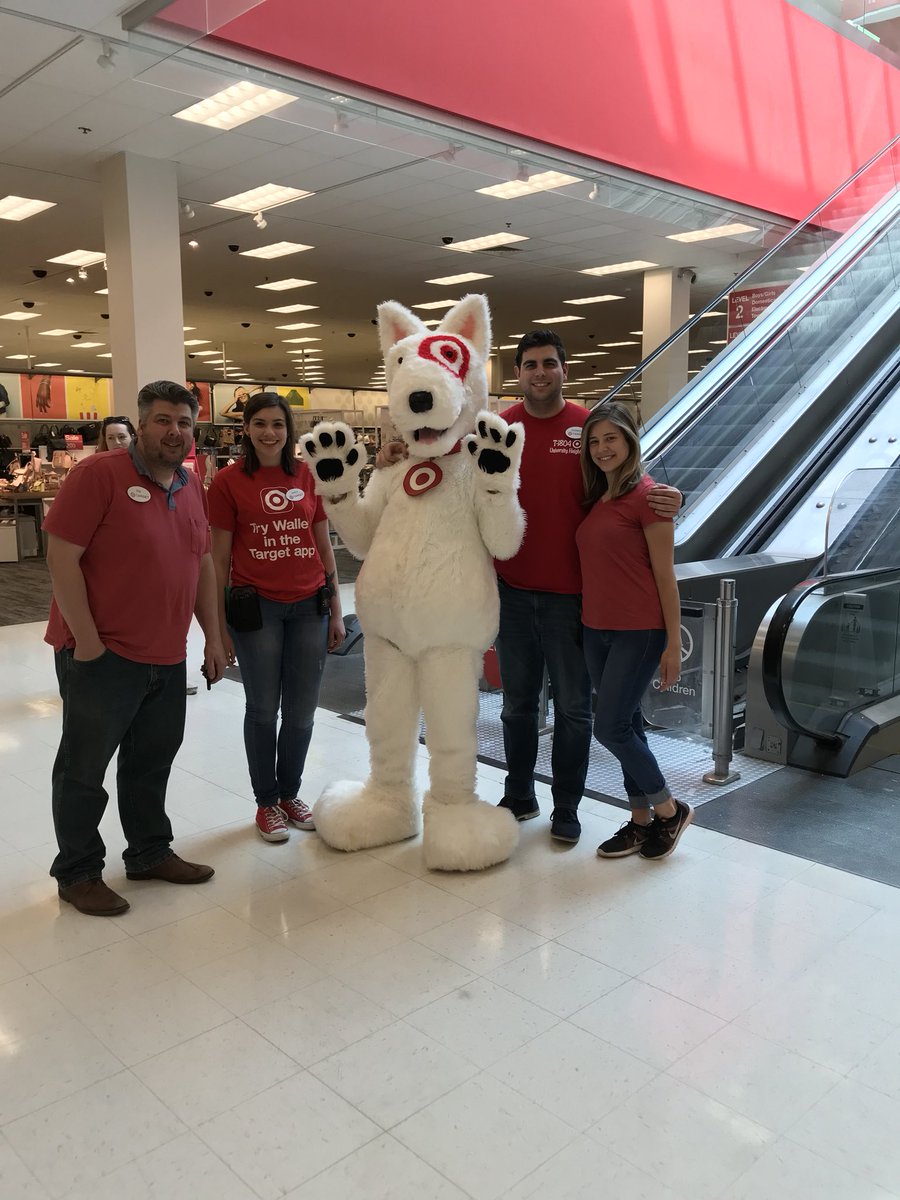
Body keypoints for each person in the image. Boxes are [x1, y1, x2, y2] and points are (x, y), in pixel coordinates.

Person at [376, 329, 681, 844]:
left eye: (549, 364)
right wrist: (394, 455)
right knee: (517, 703)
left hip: (573, 601)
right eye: (530, 365)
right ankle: (519, 794)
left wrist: (670, 497)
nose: (540, 372)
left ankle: (567, 807)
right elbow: (441, 456)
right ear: (517, 372)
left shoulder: (588, 430)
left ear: (565, 370)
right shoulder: (496, 425)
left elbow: (626, 482)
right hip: (512, 593)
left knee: (574, 709)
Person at [43, 380, 227, 917]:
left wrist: (212, 636)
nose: (175, 431)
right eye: (164, 420)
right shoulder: (97, 475)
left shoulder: (191, 485)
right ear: (142, 425)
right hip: (104, 657)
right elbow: (61, 561)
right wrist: (92, 646)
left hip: (166, 657)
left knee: (151, 763)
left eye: (185, 422)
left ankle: (148, 852)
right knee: (83, 769)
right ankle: (77, 872)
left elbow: (203, 563)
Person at [208, 392, 345, 843]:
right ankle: (266, 802)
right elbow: (220, 558)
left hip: (310, 607)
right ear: (246, 429)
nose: (270, 432)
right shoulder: (227, 483)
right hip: (257, 609)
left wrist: (338, 610)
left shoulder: (308, 476)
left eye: (278, 425)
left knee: (303, 712)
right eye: (261, 423)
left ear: (290, 432)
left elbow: (323, 545)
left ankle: (290, 794)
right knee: (264, 708)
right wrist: (218, 628)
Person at [577, 402, 693, 859]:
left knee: (609, 727)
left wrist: (671, 643)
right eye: (594, 440)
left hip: (638, 631)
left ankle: (670, 810)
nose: (603, 448)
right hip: (595, 630)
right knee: (625, 724)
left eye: (611, 438)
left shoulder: (651, 498)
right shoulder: (598, 498)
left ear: (629, 442)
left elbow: (667, 576)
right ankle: (641, 821)